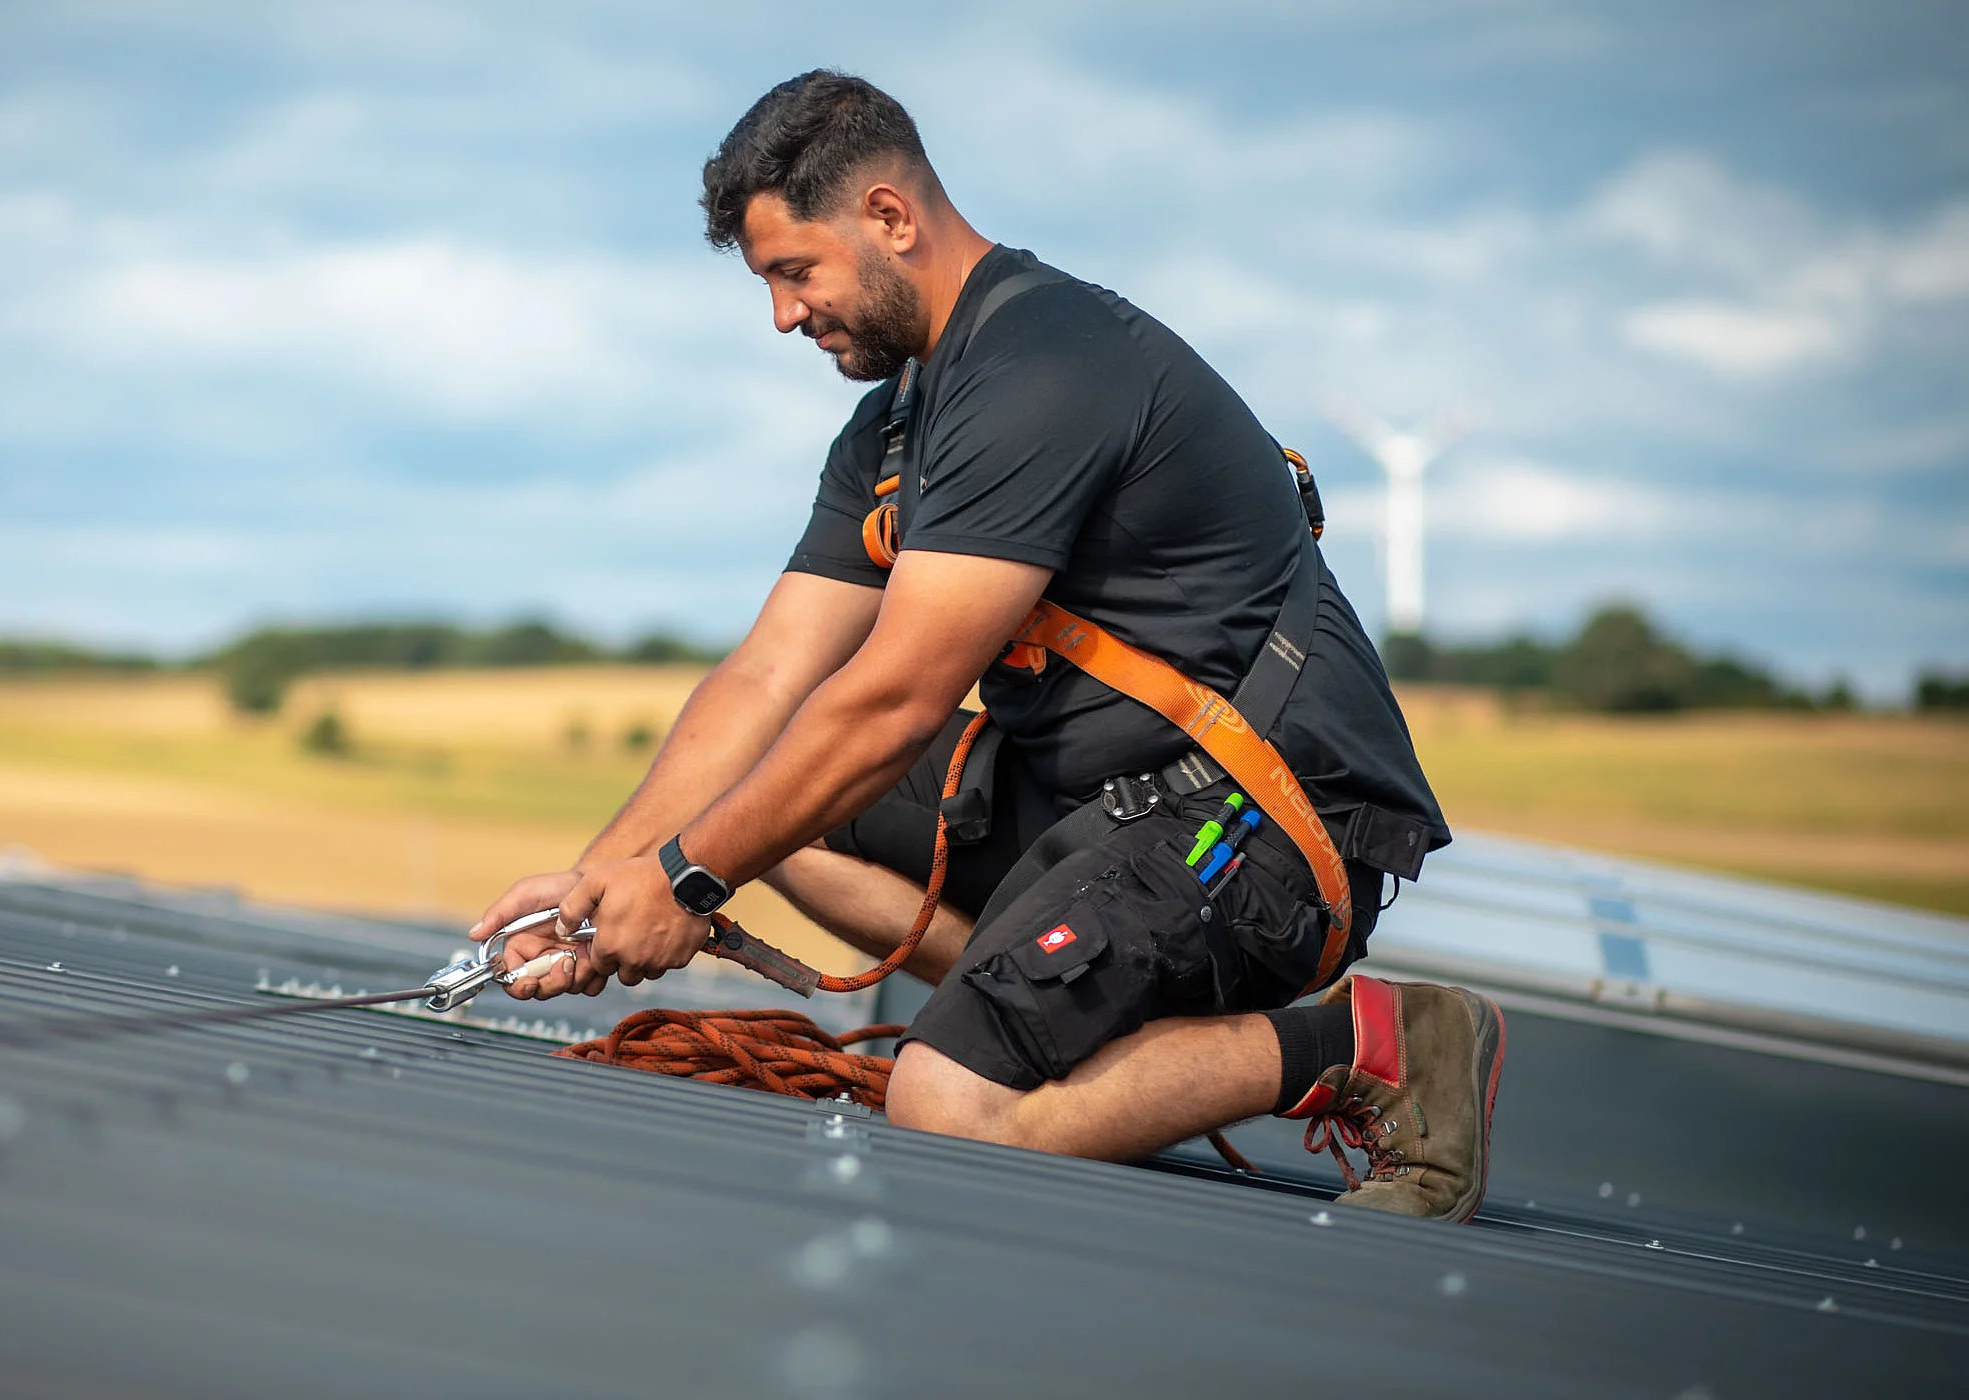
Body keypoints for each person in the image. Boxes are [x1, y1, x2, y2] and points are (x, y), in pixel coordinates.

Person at [470, 71, 1504, 1221]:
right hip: (1097, 797)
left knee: (946, 1105)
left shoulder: (1045, 366)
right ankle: (1048, 1004)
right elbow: (767, 676)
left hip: (1251, 824)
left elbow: (892, 699)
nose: (779, 315)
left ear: (890, 218)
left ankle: (1386, 1038)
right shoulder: (897, 423)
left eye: (792, 272)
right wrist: (600, 883)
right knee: (764, 815)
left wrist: (681, 879)